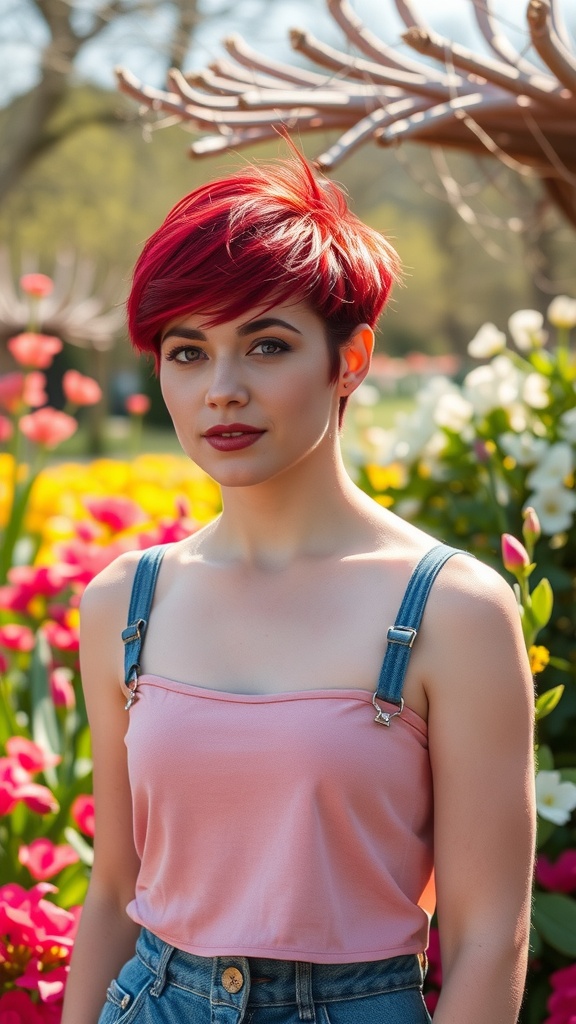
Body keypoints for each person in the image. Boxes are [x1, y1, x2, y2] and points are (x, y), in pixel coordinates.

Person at [62, 150, 535, 1024]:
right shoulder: (125, 602)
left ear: (348, 359)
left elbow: (487, 932)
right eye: (188, 352)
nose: (222, 391)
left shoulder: (451, 610)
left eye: (266, 345)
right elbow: (115, 887)